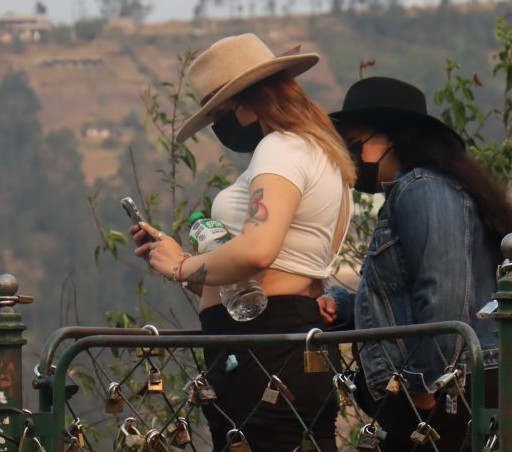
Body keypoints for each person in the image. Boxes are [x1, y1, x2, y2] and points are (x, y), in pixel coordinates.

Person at [131, 33, 354, 452]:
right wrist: (192, 271)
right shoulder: (314, 152)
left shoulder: (279, 149)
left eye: (219, 113)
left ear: (249, 104)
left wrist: (180, 264)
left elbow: (257, 251)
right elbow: (276, 264)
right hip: (279, 338)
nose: (219, 126)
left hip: (265, 348)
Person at [323, 76, 512, 451]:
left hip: (443, 394)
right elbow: (404, 297)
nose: (350, 157)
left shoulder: (421, 189)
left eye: (356, 143)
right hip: (453, 385)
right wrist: (345, 305)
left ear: (392, 138)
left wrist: (424, 386)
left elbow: (445, 291)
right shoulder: (426, 189)